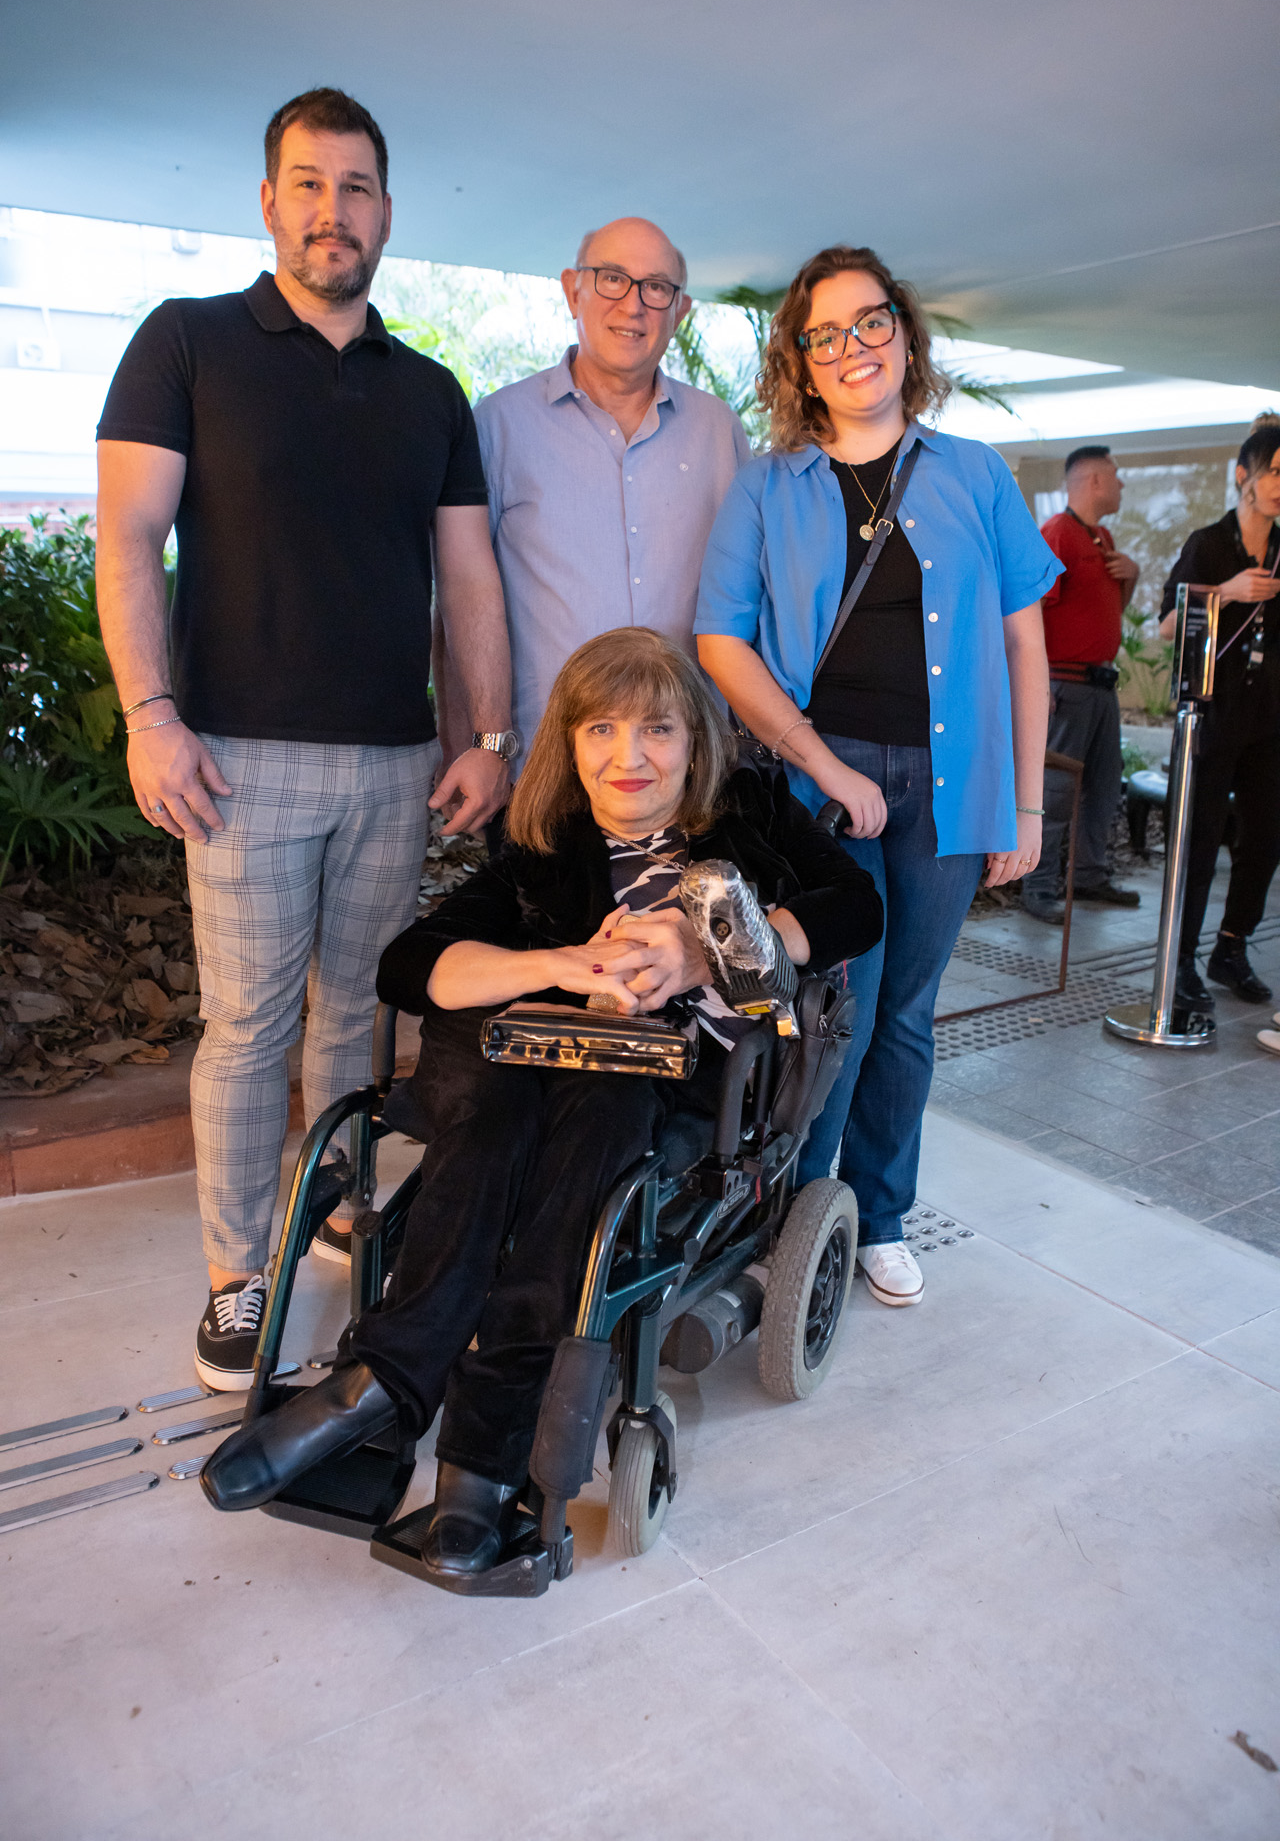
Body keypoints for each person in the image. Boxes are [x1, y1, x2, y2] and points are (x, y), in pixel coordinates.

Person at [200, 627, 882, 1576]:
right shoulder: (548, 844)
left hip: (679, 1083)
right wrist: (560, 964)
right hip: (535, 1069)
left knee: (588, 1144)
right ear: (569, 743)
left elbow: (857, 904)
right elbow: (413, 964)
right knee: (486, 1119)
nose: (628, 758)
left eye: (657, 730)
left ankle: (471, 1447)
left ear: (697, 741)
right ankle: (383, 1386)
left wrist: (700, 950)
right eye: (600, 730)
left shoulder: (751, 813)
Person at [95, 87, 514, 1391]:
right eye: (310, 182)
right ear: (269, 199)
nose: (335, 209)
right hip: (235, 758)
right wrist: (148, 717)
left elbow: (473, 579)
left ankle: (331, 1205)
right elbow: (125, 539)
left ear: (388, 211)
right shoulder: (187, 342)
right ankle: (238, 1277)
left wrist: (485, 734)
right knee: (250, 1028)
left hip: (395, 763)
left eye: (359, 186)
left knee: (355, 1028)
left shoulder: (433, 390)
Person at [695, 244, 1059, 1310]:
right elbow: (719, 641)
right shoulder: (765, 488)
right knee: (826, 1005)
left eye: (871, 322)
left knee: (905, 1008)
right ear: (798, 364)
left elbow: (1024, 644)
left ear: (902, 333)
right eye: (825, 334)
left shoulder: (974, 472)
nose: (853, 347)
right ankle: (802, 1213)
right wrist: (820, 766)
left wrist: (1023, 800)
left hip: (955, 787)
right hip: (825, 786)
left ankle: (882, 1212)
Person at [440, 218, 749, 767]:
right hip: (540, 769)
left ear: (681, 311)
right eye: (612, 278)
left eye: (656, 287)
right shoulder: (498, 424)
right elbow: (460, 600)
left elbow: (752, 602)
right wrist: (470, 749)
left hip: (687, 771)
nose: (633, 305)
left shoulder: (719, 430)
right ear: (571, 289)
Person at [1159, 419, 1280, 1010]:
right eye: (1275, 472)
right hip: (1210, 717)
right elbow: (1164, 627)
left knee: (1264, 837)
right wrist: (1227, 591)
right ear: (1244, 477)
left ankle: (1231, 947)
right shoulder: (1207, 544)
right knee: (1198, 840)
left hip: (1270, 721)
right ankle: (1178, 960)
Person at [1021, 445, 1142, 924]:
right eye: (1115, 475)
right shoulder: (1058, 534)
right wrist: (1041, 682)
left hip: (1100, 685)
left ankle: (1089, 875)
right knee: (1055, 789)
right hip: (1066, 684)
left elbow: (1108, 611)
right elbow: (1032, 610)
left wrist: (1133, 575)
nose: (1121, 484)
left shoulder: (1102, 537)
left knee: (1104, 785)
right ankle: (1038, 886)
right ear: (1093, 481)